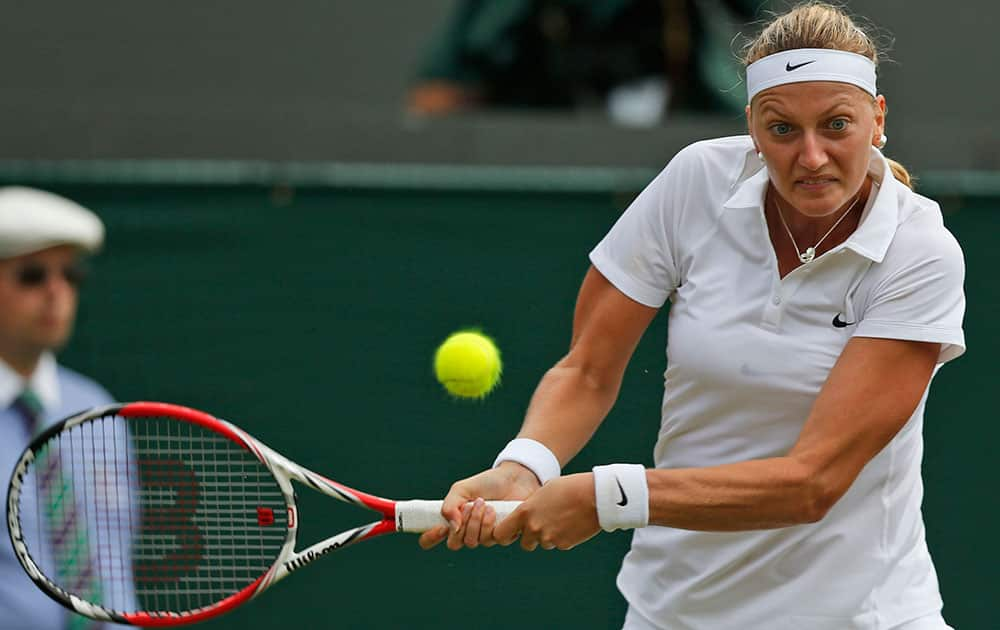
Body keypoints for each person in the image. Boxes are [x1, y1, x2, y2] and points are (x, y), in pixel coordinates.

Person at [419, 3, 965, 629]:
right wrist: (525, 467)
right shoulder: (697, 181)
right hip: (672, 612)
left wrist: (607, 498)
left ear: (878, 119)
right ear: (753, 128)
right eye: (782, 130)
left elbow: (811, 482)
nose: (811, 156)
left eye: (836, 125)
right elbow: (588, 371)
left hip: (859, 618)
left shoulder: (919, 252)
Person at [0, 186, 117, 630]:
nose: (56, 292)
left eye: (70, 275)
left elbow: (117, 564)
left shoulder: (100, 409)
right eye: (32, 275)